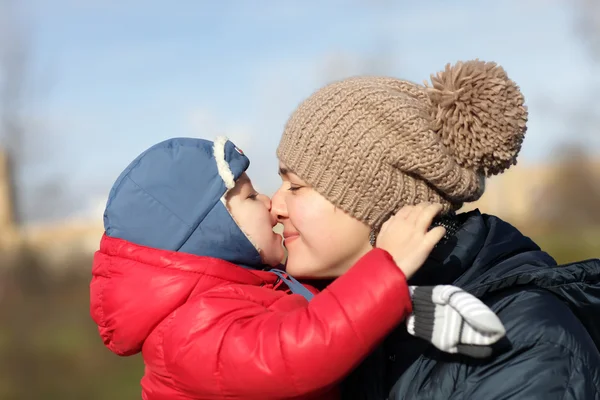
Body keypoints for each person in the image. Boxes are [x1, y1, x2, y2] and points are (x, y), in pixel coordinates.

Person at [272, 59, 600, 399]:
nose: (275, 206)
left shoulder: (524, 341)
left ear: (380, 200)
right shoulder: (319, 320)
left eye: (295, 186)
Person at [89, 136, 503, 400]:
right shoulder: (187, 331)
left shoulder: (249, 291)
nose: (270, 202)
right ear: (211, 226)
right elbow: (295, 352)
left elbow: (318, 315)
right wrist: (386, 267)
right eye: (249, 197)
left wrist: (410, 309)